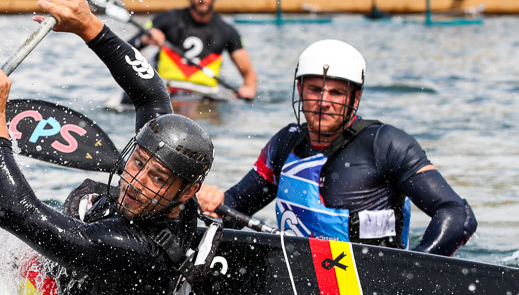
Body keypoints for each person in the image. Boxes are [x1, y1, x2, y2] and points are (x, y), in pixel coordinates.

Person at [0, 0, 216, 295]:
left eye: (158, 178)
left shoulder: (133, 246)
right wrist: (88, 25)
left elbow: (14, 213)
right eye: (138, 162)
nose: (136, 182)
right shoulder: (176, 175)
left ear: (187, 191)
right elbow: (151, 92)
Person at [196, 39, 476, 256]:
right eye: (315, 90)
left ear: (355, 98)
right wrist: (213, 202)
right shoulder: (285, 144)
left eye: (337, 93)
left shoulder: (387, 144)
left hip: (372, 285)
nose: (323, 102)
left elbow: (457, 214)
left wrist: (414, 270)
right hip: (298, 280)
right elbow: (236, 208)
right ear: (299, 90)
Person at [137, 0, 258, 101]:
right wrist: (145, 40)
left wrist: (248, 88)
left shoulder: (227, 31)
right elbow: (129, 45)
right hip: (168, 91)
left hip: (206, 96)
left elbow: (248, 73)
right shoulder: (166, 19)